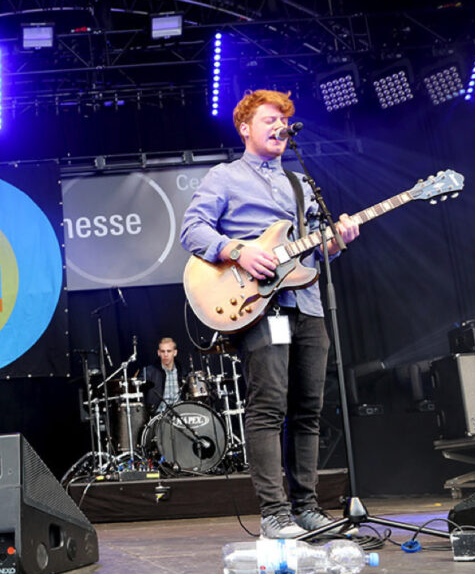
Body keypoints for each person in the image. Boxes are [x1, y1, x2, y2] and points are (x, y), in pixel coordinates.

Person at [179, 90, 360, 539]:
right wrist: (236, 251)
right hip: (260, 308)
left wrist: (337, 242)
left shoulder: (300, 184)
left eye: (284, 119)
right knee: (268, 407)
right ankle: (274, 513)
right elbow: (192, 229)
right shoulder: (224, 177)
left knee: (308, 410)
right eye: (269, 119)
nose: (279, 126)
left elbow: (316, 256)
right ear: (245, 128)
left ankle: (307, 508)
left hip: (309, 305)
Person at [141, 337, 187, 415]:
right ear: (158, 353)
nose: (165, 354)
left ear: (175, 353)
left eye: (169, 351)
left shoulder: (182, 372)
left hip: (180, 415)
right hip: (159, 416)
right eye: (163, 351)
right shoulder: (149, 372)